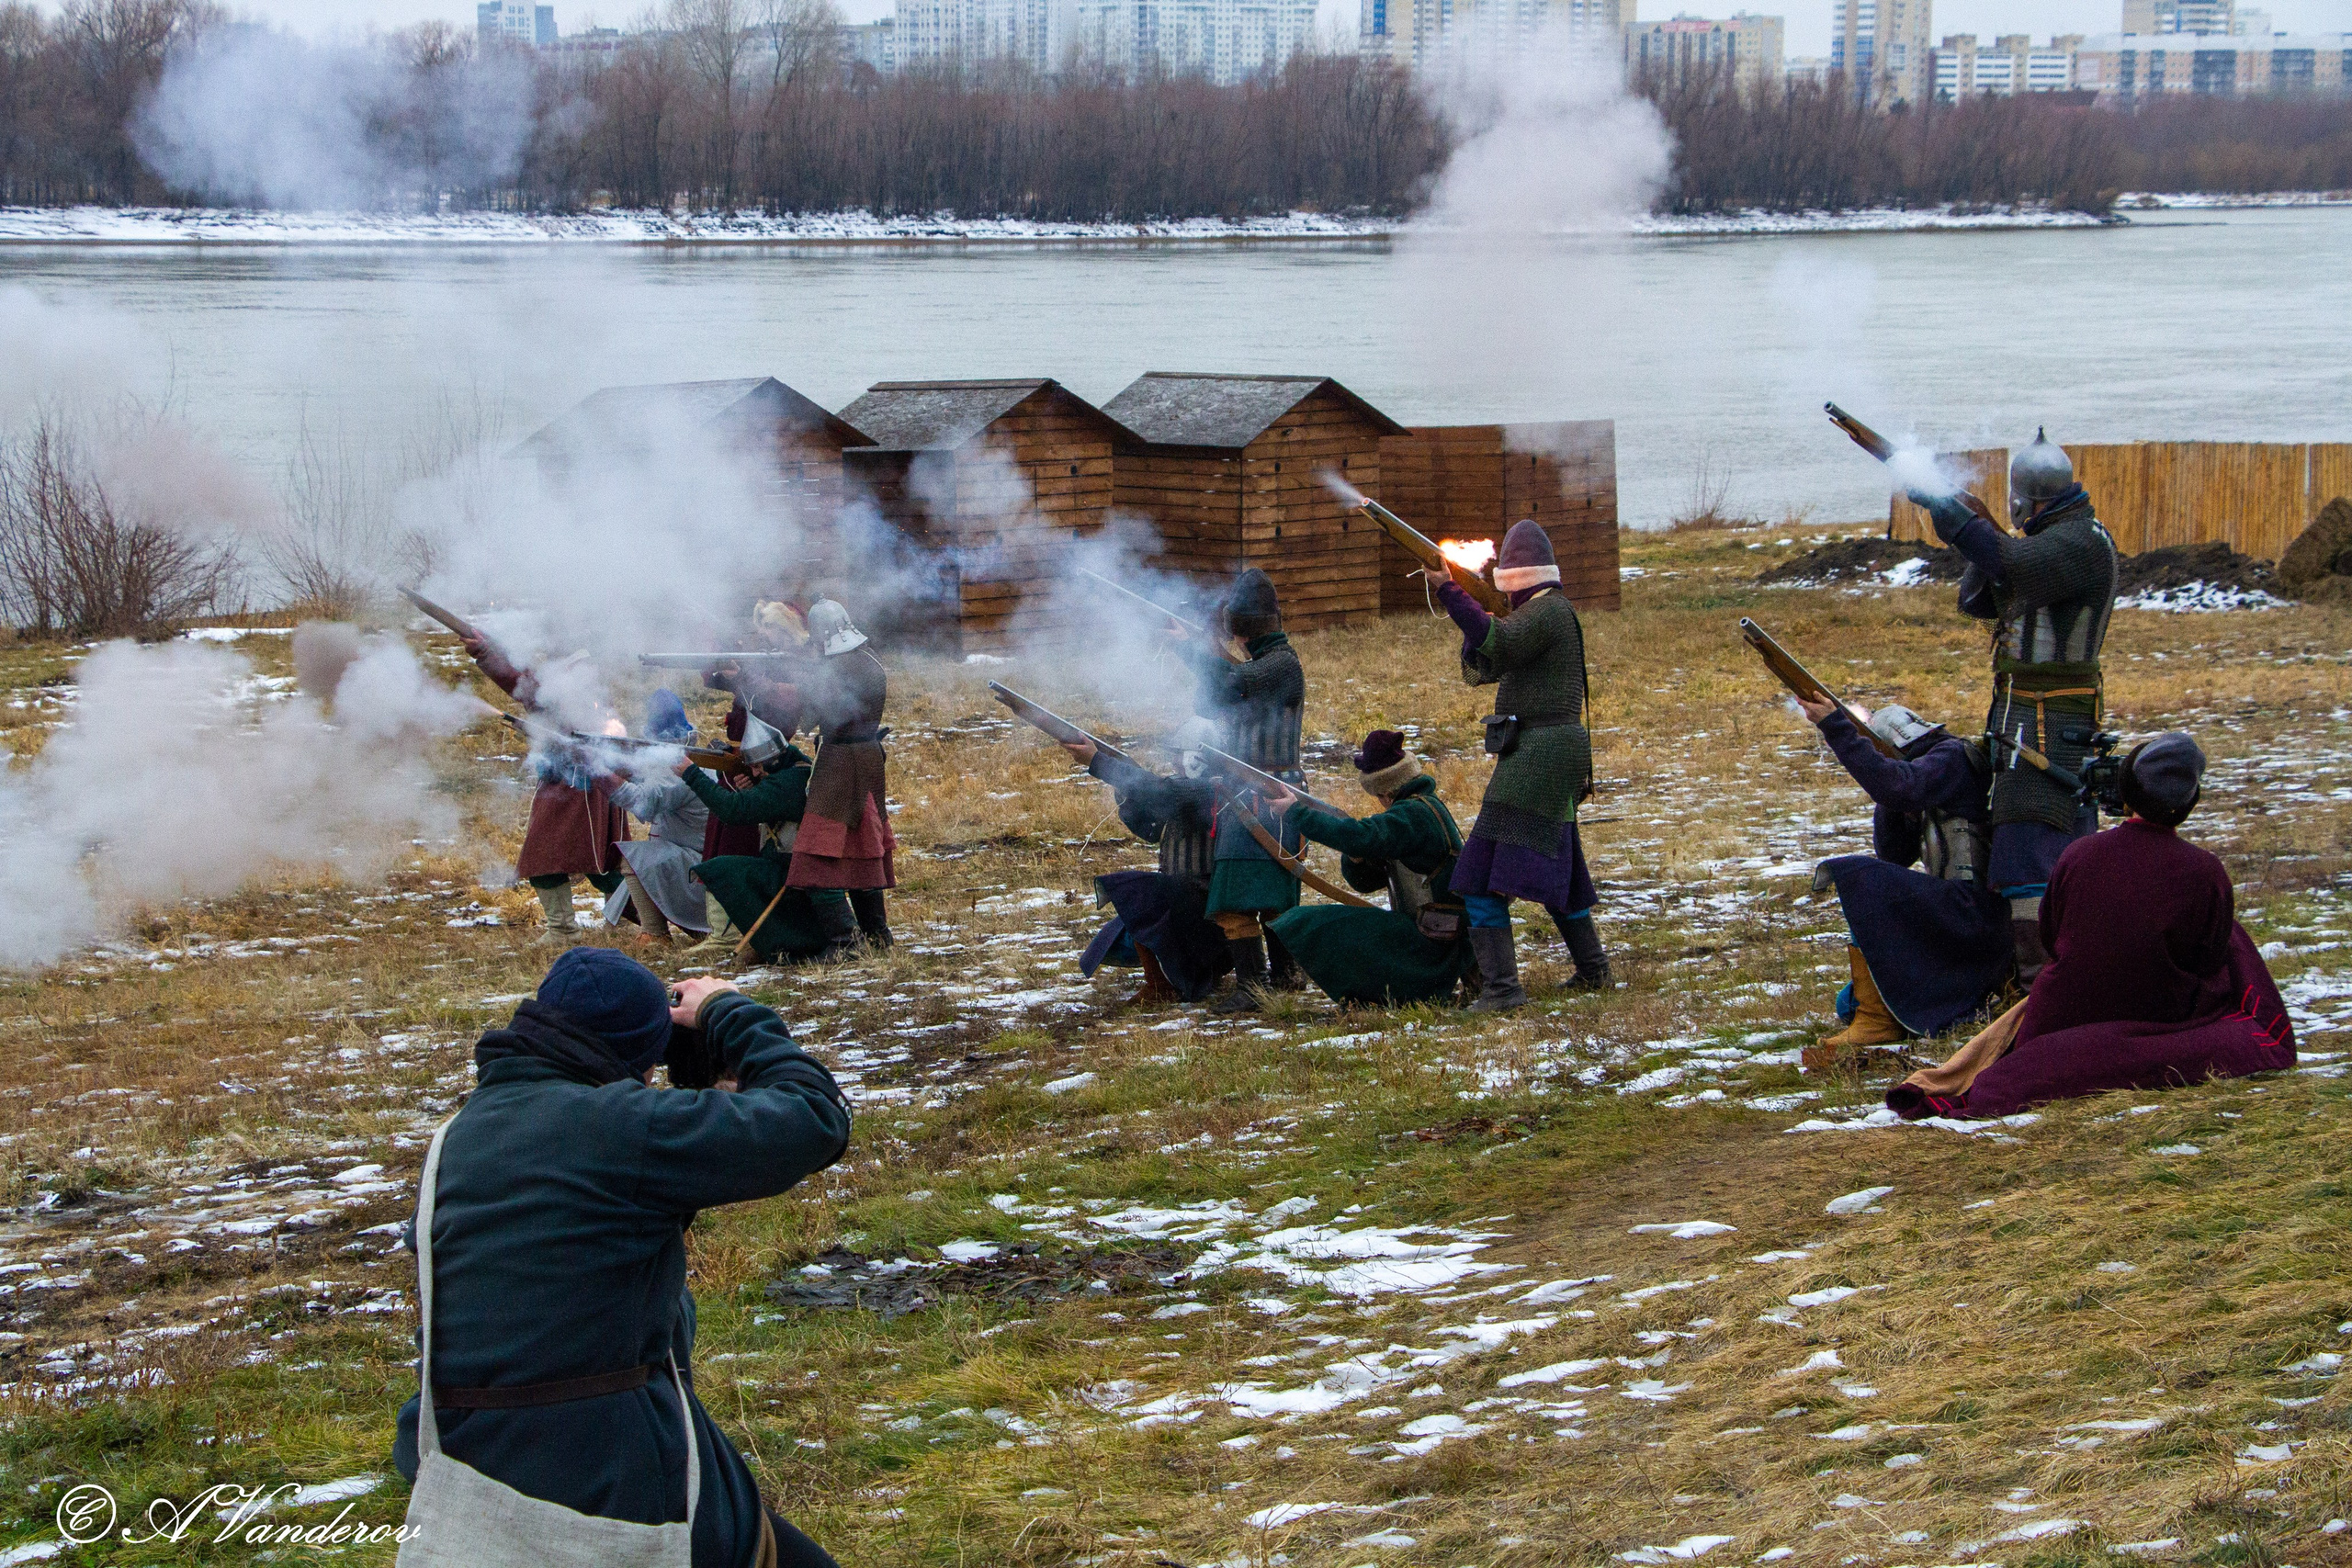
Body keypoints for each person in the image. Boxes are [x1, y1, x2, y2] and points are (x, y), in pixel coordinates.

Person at [390, 951, 850, 1568]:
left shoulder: (458, 1138)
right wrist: (727, 1010)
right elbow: (815, 1118)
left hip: (476, 1469)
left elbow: (602, 1259)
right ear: (636, 1054)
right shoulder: (617, 1125)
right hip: (612, 1481)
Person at [1887, 734, 2295, 1120]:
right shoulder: (2205, 870)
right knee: (2233, 941)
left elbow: (2052, 935)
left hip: (2063, 1013)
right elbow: (2206, 958)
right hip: (2163, 1009)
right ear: (2189, 804)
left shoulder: (2081, 854)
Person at [1908, 430, 2118, 985]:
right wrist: (1967, 525)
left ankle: (2040, 990)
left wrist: (1955, 516)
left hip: (2054, 722)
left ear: (2026, 494)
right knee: (2025, 849)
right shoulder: (2056, 538)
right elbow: (1983, 595)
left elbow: (2013, 563)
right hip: (2022, 717)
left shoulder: (2081, 542)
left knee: (2032, 854)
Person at [1431, 519, 1611, 1010]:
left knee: (1478, 878)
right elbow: (1485, 663)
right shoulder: (1543, 612)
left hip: (1541, 753)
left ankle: (1502, 990)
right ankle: (1594, 970)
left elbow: (1500, 643)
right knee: (1562, 869)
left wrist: (1451, 591)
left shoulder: (1549, 613)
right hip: (1548, 750)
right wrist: (1468, 605)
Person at [1798, 694, 2008, 1063]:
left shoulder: (1953, 757)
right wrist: (1892, 795)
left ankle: (1883, 1022)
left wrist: (1838, 729)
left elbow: (1898, 787)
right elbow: (1893, 853)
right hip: (1957, 911)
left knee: (1860, 875)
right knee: (1848, 1002)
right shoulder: (1920, 772)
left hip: (1976, 910)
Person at [1264, 730, 1476, 1007]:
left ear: (1386, 789)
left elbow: (1361, 836)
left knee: (1311, 923)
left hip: (1433, 943)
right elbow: (1364, 882)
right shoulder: (1416, 810)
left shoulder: (1414, 813)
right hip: (1430, 933)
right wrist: (1357, 855)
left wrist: (1297, 813)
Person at [1178, 568, 1309, 1012]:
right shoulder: (1259, 666)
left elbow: (1223, 687)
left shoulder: (1281, 665)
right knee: (1243, 898)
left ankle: (1271, 983)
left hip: (1269, 793)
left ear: (1241, 628)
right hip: (1245, 792)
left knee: (1256, 899)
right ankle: (1262, 984)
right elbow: (1207, 703)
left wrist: (1195, 651)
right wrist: (1200, 651)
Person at [460, 632, 630, 940]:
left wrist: (485, 652)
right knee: (601, 862)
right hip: (582, 780)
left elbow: (521, 686)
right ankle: (628, 918)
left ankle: (566, 929)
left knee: (544, 857)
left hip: (576, 784)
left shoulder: (568, 686)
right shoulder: (586, 682)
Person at [1066, 718, 1231, 1004]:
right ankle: (1172, 978)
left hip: (1204, 909)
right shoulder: (1188, 790)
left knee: (1136, 892)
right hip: (1185, 902)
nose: (1176, 762)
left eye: (1180, 755)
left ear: (1198, 758)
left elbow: (1160, 791)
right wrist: (1128, 790)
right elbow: (1150, 830)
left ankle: (1162, 985)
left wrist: (1100, 763)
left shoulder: (1208, 790)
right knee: (1140, 905)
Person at [677, 716, 853, 964]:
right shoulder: (790, 771)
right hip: (788, 867)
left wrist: (690, 773)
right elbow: (767, 806)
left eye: (759, 767)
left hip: (794, 874)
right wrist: (753, 789)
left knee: (723, 870)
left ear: (775, 759)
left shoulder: (788, 782)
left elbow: (732, 810)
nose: (755, 772)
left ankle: (780, 942)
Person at [786, 600, 897, 954]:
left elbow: (811, 718)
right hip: (864, 759)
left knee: (815, 857)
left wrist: (802, 678)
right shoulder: (867, 661)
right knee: (863, 851)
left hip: (840, 762)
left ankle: (845, 942)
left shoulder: (835, 670)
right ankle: (877, 937)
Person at [604, 690, 714, 948]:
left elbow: (643, 803)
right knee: (627, 902)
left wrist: (600, 772)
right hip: (689, 858)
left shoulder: (679, 771)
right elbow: (647, 779)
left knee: (635, 859)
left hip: (697, 866)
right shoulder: (677, 760)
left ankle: (655, 935)